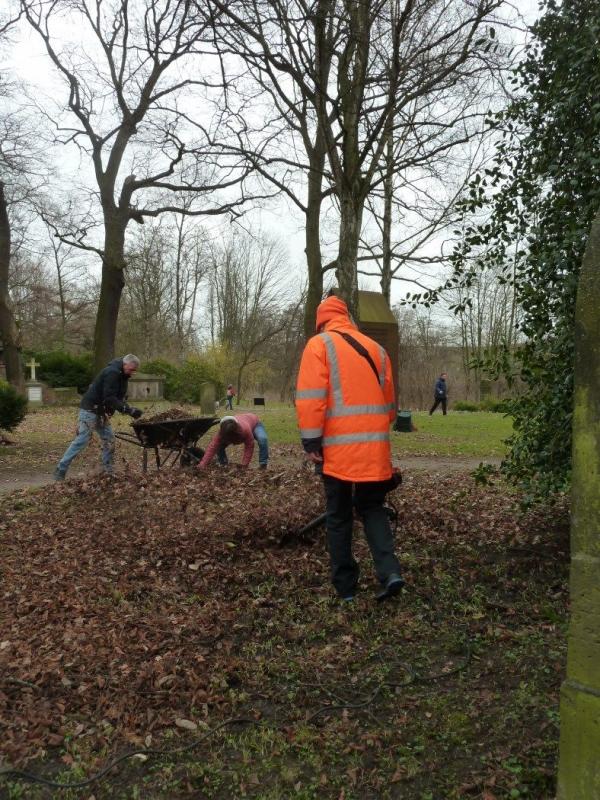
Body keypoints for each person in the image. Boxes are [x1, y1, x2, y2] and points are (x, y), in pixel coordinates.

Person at [295, 294, 403, 602]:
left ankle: (346, 589)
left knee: (339, 514)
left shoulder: (320, 345)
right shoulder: (378, 350)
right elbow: (390, 408)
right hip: (375, 448)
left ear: (322, 321)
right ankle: (390, 572)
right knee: (372, 507)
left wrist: (311, 441)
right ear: (348, 317)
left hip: (337, 450)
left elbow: (311, 397)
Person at [54, 354, 143, 480]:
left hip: (101, 412)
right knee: (81, 441)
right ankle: (60, 469)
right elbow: (109, 398)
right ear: (125, 364)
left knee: (109, 440)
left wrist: (128, 409)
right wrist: (128, 410)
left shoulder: (123, 375)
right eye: (131, 369)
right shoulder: (112, 373)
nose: (133, 373)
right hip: (90, 409)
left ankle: (108, 471)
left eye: (134, 370)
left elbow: (119, 398)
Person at [198, 413, 268, 469]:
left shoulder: (244, 430)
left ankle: (263, 464)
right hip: (241, 424)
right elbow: (212, 447)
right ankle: (224, 464)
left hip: (255, 423)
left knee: (263, 439)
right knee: (219, 446)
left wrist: (244, 465)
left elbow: (249, 447)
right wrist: (202, 464)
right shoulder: (221, 433)